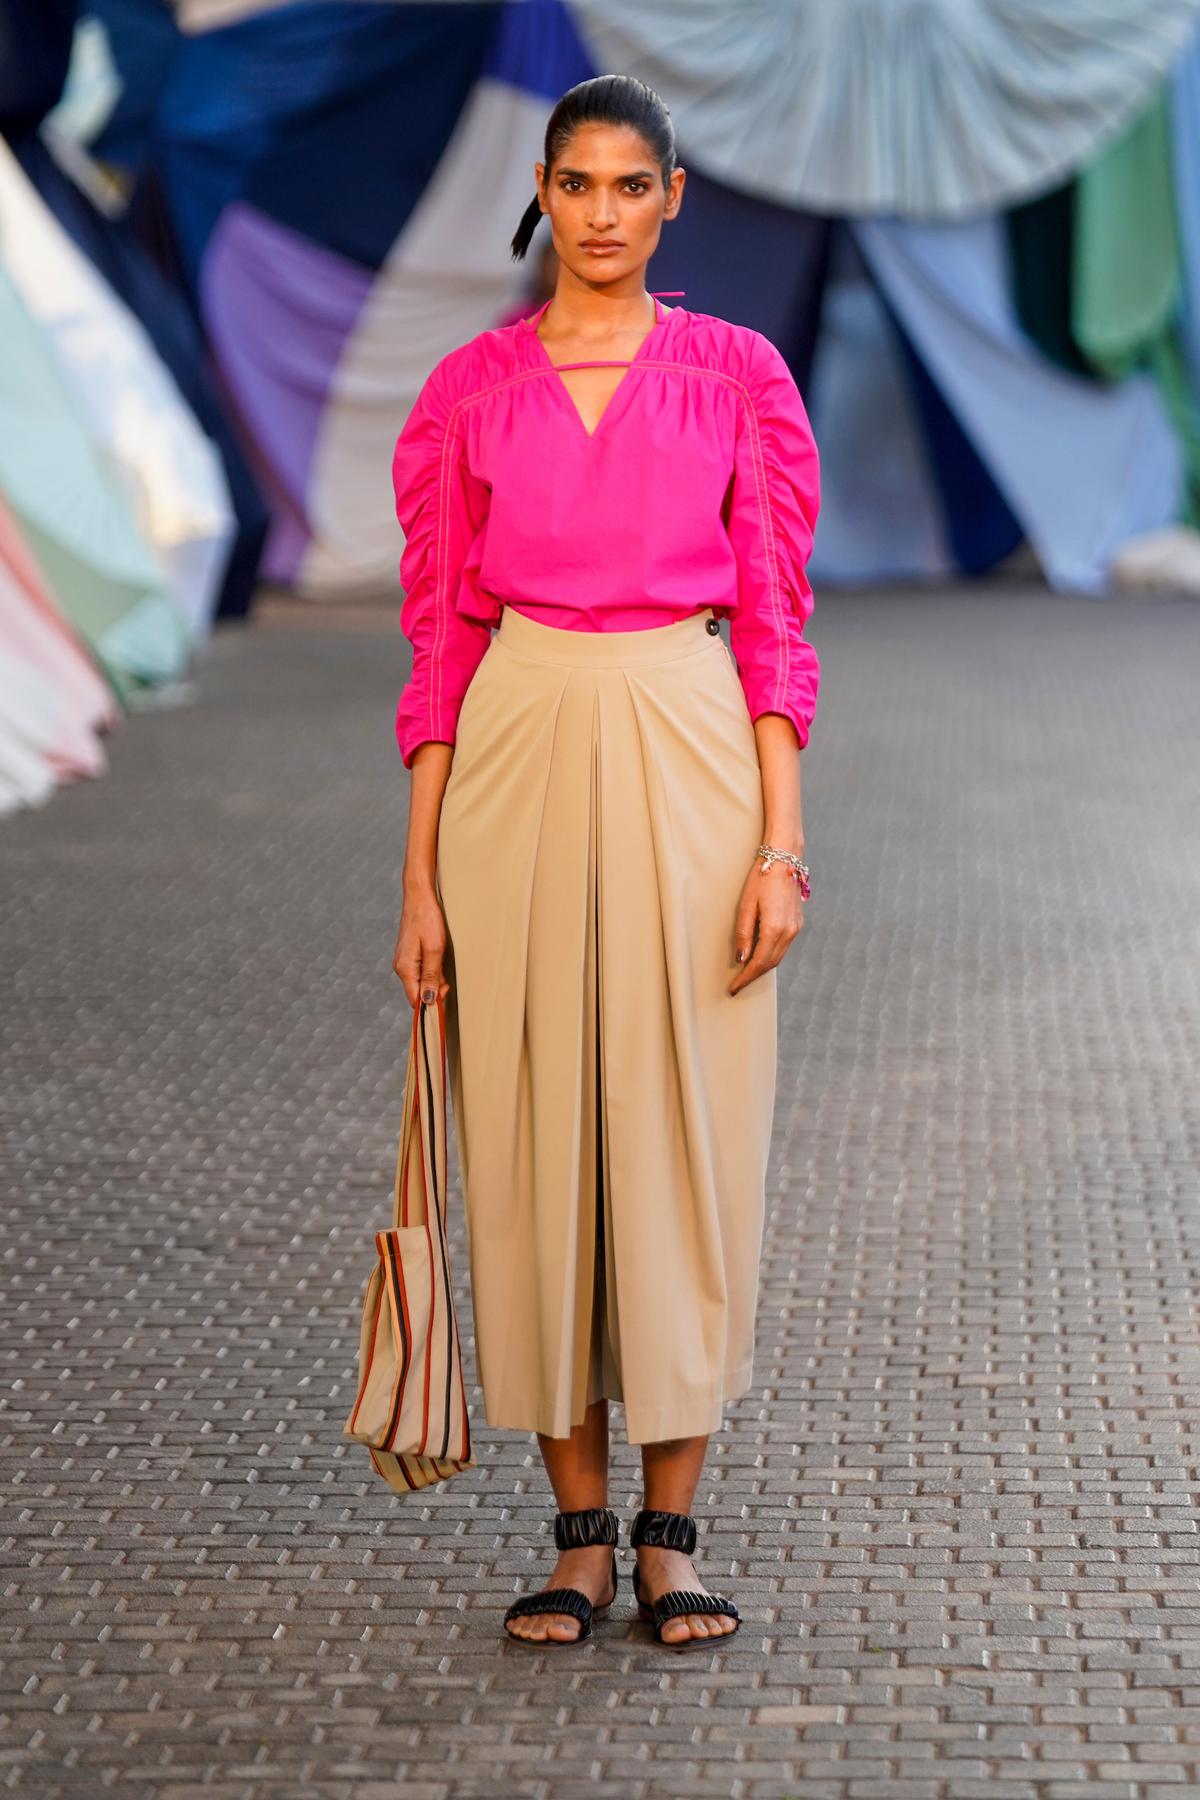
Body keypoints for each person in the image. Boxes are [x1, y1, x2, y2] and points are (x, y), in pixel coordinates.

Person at [390, 74, 820, 1650]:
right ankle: (577, 1532)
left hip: (692, 739)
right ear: (547, 195)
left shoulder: (739, 377)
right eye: (577, 185)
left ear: (672, 199)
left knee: (688, 1122)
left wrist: (782, 844)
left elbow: (777, 622)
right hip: (512, 750)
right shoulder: (469, 392)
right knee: (534, 1124)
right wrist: (420, 878)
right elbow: (440, 641)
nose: (602, 214)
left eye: (631, 187)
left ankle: (673, 1532)